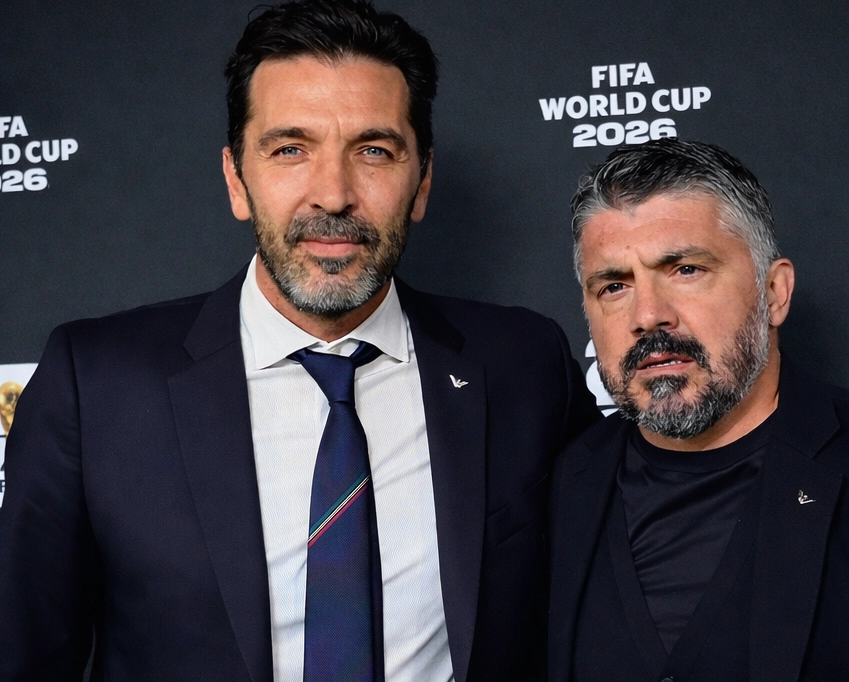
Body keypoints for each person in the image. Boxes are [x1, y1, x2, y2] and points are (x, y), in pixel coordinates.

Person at [0, 2, 598, 681]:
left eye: (373, 151)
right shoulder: (95, 386)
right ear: (237, 179)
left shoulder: (523, 365)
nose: (333, 195)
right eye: (290, 150)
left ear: (422, 181)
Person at [547, 138, 849, 682]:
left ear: (774, 292)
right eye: (614, 285)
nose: (648, 315)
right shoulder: (558, 491)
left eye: (685, 270)